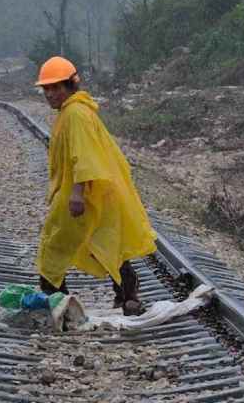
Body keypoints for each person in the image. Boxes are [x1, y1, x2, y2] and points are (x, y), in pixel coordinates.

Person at [34, 56, 157, 316]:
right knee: (106, 240)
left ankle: (57, 302)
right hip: (96, 190)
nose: (51, 94)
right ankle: (128, 295)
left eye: (56, 87)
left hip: (83, 192)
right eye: (47, 89)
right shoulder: (74, 110)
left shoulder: (75, 114)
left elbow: (84, 155)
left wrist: (77, 194)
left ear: (70, 85)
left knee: (54, 245)